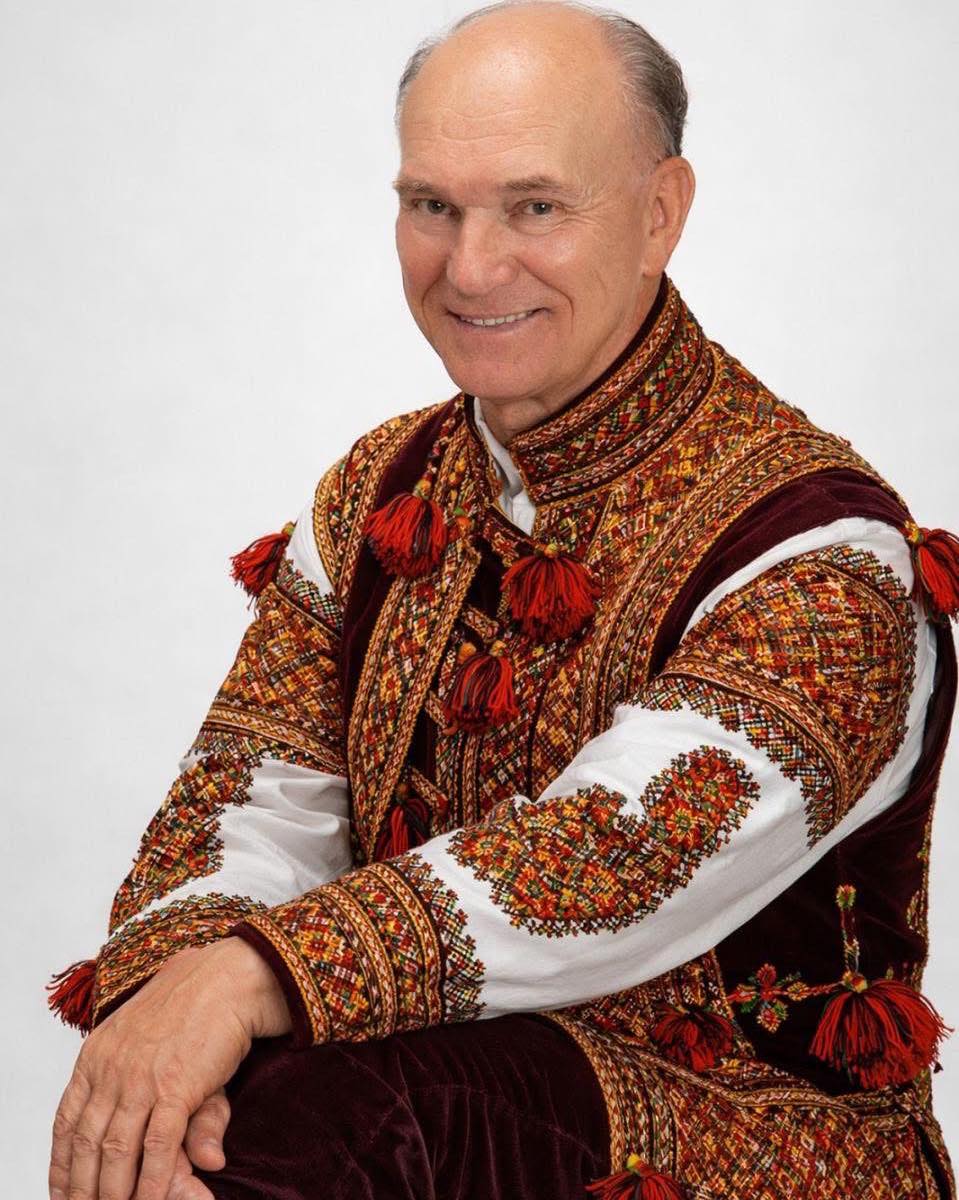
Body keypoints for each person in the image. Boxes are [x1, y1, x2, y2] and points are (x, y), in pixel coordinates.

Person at [47, 2, 959, 1198]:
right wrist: (179, 1022)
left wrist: (250, 979)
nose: (470, 268)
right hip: (412, 1104)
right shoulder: (379, 494)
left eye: (534, 207)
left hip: (758, 1142)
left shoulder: (818, 556)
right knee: (210, 1106)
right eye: (432, 205)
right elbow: (241, 804)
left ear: (659, 213)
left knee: (341, 1110)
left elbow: (609, 861)